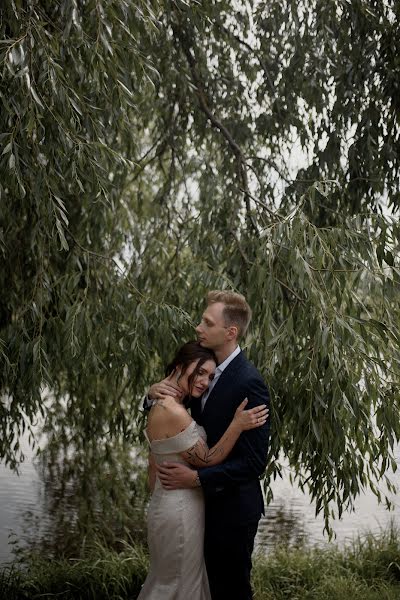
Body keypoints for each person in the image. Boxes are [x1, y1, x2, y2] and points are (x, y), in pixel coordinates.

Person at [149, 291, 270, 600]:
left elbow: (254, 462)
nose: (198, 327)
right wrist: (151, 395)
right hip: (197, 507)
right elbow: (172, 411)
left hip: (232, 509)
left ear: (230, 332)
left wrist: (198, 478)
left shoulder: (249, 382)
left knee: (231, 590)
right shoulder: (203, 368)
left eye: (207, 322)